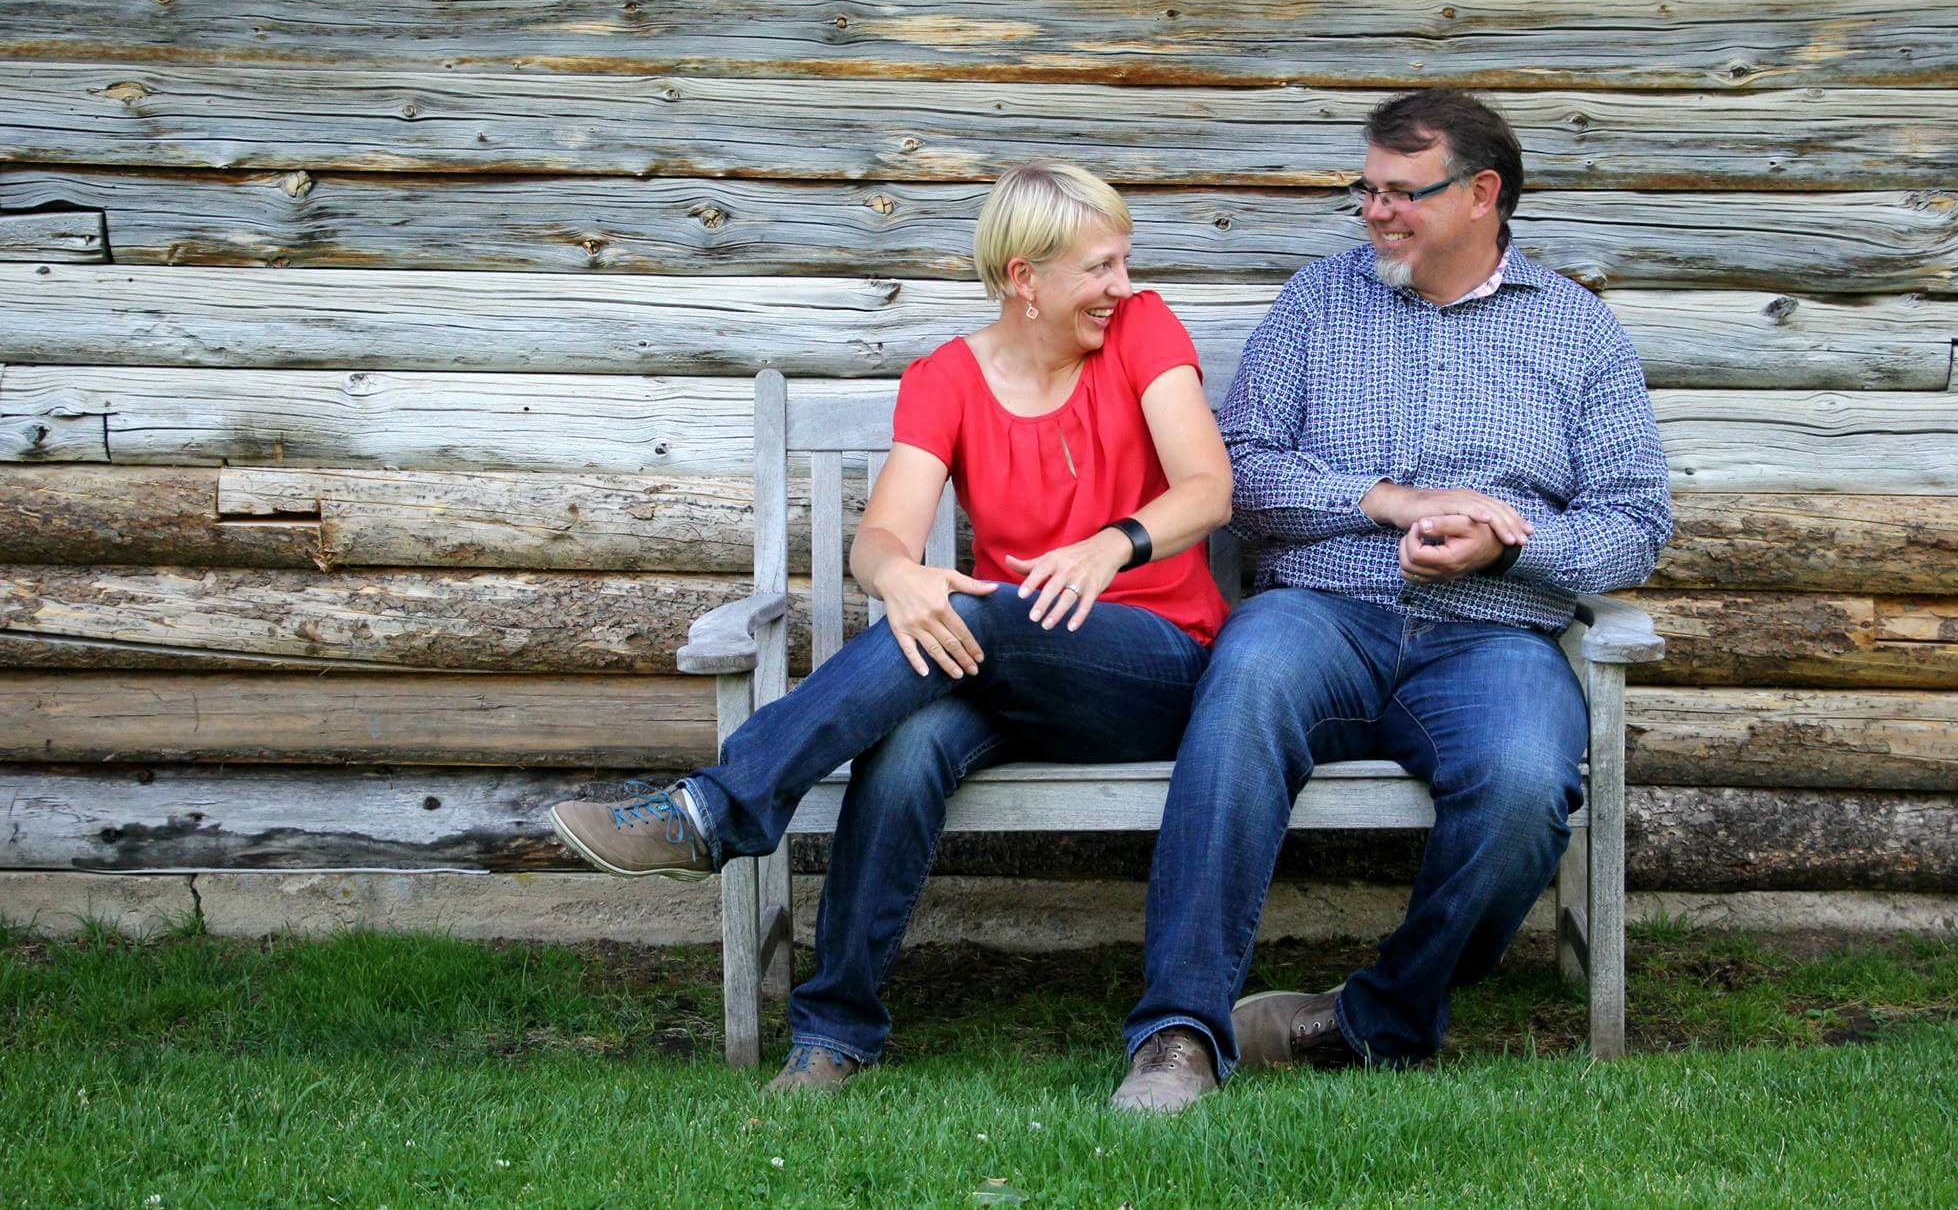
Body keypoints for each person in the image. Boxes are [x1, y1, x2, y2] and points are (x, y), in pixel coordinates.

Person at [549, 162, 1232, 1093]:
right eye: (1098, 268)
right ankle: (834, 1035)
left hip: (1153, 665)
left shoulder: (1141, 330)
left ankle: (717, 807)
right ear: (1024, 278)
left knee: (979, 614)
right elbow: (878, 540)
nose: (1121, 286)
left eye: (1123, 263)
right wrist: (899, 577)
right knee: (907, 745)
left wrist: (1114, 546)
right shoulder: (947, 378)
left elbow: (1208, 488)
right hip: (1002, 660)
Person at [1109, 89, 1672, 1113]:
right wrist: (1382, 501)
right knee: (1237, 702)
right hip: (1319, 612)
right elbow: (1240, 471)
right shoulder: (1319, 302)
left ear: (1480, 195)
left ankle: (1374, 1016)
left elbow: (1633, 524)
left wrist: (1503, 548)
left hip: (1491, 636)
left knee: (1519, 787)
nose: (1374, 212)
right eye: (1364, 191)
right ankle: (1177, 1036)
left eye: (1401, 193)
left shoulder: (1576, 334)